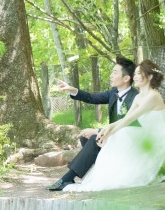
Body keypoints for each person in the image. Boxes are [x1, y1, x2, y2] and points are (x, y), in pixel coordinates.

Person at [63, 60, 165, 192]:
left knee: (122, 134)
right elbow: (125, 118)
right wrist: (106, 129)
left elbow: (130, 119)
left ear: (150, 76)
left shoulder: (153, 96)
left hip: (157, 135)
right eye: (135, 73)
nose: (135, 76)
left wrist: (108, 133)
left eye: (139, 74)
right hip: (145, 133)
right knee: (116, 134)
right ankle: (110, 173)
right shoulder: (139, 97)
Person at [46, 55, 138, 191]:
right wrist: (72, 90)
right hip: (115, 134)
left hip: (129, 138)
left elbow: (129, 124)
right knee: (85, 137)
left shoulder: (135, 97)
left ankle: (68, 177)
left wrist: (98, 131)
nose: (111, 76)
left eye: (115, 72)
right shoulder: (114, 92)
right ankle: (101, 169)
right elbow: (92, 97)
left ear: (126, 78)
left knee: (95, 138)